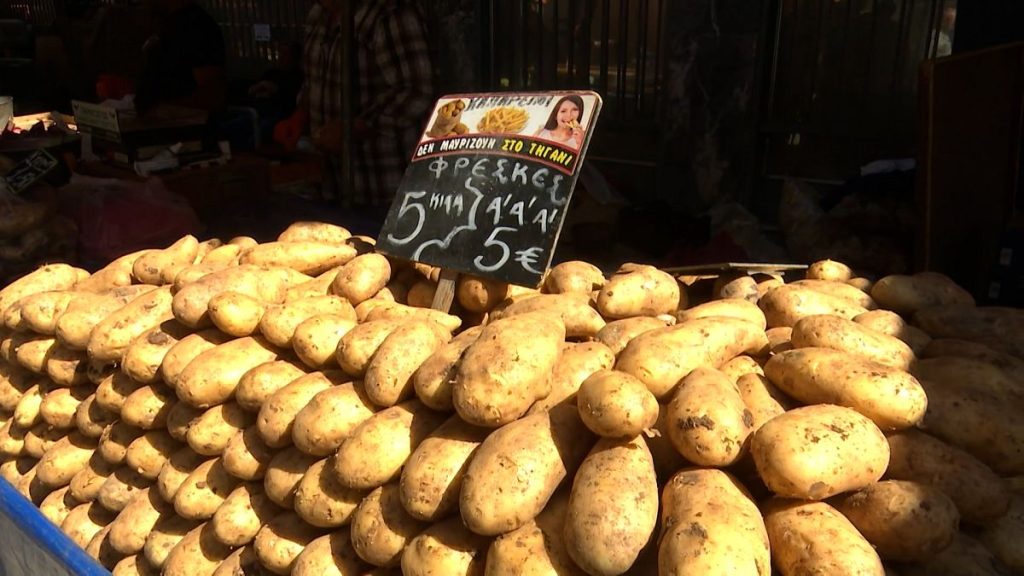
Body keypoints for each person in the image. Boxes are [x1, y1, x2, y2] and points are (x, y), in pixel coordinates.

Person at [275, 0, 434, 210]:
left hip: (383, 186)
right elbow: (314, 80)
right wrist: (300, 116)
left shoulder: (391, 14)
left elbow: (416, 91)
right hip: (331, 185)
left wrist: (353, 129)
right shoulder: (318, 14)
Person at [133, 0, 226, 114]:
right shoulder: (165, 27)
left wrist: (164, 108)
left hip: (182, 126)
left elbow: (213, 94)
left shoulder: (198, 27)